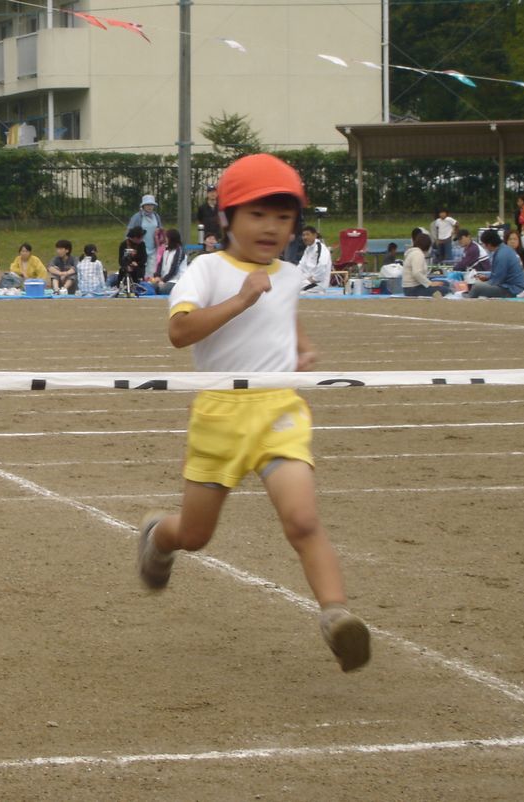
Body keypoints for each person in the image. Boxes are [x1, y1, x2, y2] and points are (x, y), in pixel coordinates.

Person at [137, 153, 371, 673]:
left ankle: (337, 617)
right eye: (258, 215)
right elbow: (180, 333)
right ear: (228, 218)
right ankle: (160, 536)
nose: (272, 228)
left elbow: (284, 316)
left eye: (284, 218)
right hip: (220, 415)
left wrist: (302, 350)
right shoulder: (207, 268)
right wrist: (241, 300)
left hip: (279, 410)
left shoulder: (288, 275)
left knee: (303, 520)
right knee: (197, 536)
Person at [469, 228, 524, 298]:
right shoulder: (504, 249)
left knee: (477, 287)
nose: (484, 246)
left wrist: (487, 281)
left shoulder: (502, 254)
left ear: (489, 244)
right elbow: (500, 275)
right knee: (480, 285)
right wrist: (488, 278)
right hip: (512, 286)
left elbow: (497, 280)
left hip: (512, 289)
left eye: (484, 244)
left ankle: (467, 302)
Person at [401, 232, 448, 297]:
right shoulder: (418, 254)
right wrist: (430, 284)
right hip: (413, 289)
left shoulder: (413, 253)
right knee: (446, 289)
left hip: (411, 288)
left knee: (445, 283)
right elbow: (416, 273)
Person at [126, 194, 162, 277]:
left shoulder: (156, 216)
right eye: (147, 205)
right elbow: (129, 233)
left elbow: (161, 230)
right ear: (143, 206)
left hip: (153, 248)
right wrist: (130, 249)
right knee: (140, 270)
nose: (150, 207)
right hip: (140, 248)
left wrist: (159, 232)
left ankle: (150, 286)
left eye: (151, 205)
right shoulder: (137, 217)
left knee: (152, 271)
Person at [297, 225, 332, 294]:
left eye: (307, 234)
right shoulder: (308, 249)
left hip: (318, 283)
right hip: (306, 280)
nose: (305, 237)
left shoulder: (320, 248)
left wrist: (314, 279)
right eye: (303, 235)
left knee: (293, 291)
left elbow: (322, 265)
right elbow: (301, 265)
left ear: (315, 235)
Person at [151, 228, 185, 296]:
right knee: (151, 287)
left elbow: (174, 269)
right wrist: (157, 276)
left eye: (166, 237)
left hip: (175, 281)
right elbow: (160, 265)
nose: (165, 239)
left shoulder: (179, 251)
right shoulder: (166, 251)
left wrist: (163, 280)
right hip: (164, 280)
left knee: (163, 289)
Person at [113, 226, 147, 292]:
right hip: (127, 267)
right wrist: (126, 266)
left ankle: (137, 287)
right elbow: (121, 260)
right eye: (140, 238)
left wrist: (137, 264)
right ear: (134, 238)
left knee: (137, 272)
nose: (141, 239)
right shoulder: (123, 244)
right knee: (122, 271)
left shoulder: (142, 244)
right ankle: (120, 288)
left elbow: (144, 258)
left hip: (138, 267)